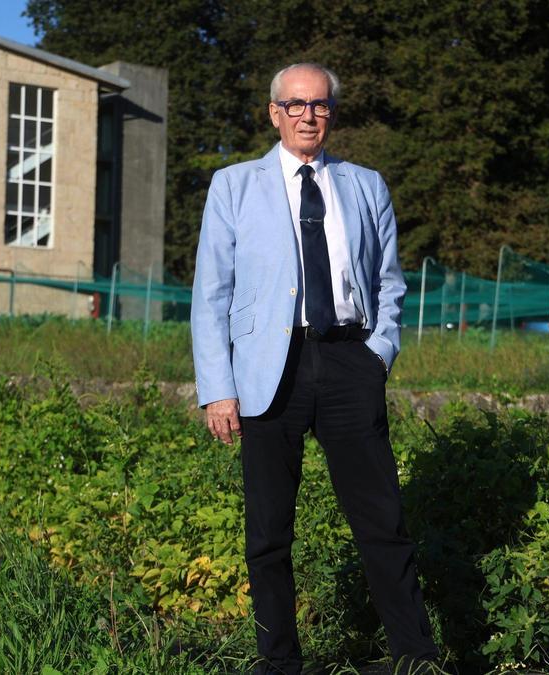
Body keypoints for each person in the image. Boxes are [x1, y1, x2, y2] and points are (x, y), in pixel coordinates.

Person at [191, 62, 439, 675]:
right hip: (266, 369)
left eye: (320, 105)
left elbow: (389, 280)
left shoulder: (364, 184)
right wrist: (218, 388)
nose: (308, 115)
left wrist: (377, 354)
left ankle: (416, 658)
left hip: (349, 359)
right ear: (274, 113)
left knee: (382, 520)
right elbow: (210, 293)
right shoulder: (233, 186)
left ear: (332, 112)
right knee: (269, 530)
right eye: (296, 104)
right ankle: (279, 662)